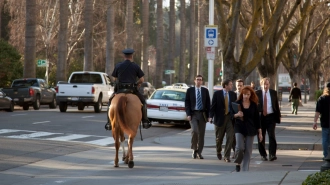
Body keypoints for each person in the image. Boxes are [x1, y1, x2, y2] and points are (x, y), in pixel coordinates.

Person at [105, 48, 151, 130]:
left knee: (110, 102)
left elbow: (114, 79)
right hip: (132, 90)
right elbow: (142, 80)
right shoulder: (135, 66)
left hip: (120, 90)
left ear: (124, 56)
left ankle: (109, 123)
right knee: (143, 102)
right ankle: (145, 121)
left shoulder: (118, 65)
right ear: (132, 56)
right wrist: (137, 84)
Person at [233, 86, 263, 172]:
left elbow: (257, 119)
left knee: (248, 150)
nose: (246, 96)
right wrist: (237, 115)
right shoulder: (237, 103)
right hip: (239, 127)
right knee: (240, 148)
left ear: (251, 95)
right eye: (244, 94)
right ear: (242, 94)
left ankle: (245, 170)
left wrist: (260, 132)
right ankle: (238, 162)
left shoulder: (254, 105)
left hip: (251, 128)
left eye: (248, 94)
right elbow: (231, 115)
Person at [209, 79, 237, 162]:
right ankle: (218, 151)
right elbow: (213, 107)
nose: (232, 86)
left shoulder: (233, 94)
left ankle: (226, 156)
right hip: (219, 118)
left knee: (230, 137)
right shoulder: (217, 94)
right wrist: (211, 117)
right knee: (219, 138)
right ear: (226, 86)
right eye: (231, 84)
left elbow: (234, 106)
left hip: (229, 118)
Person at [185, 75, 211, 159]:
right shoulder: (190, 90)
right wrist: (188, 114)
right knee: (194, 131)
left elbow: (208, 104)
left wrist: (209, 116)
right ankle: (194, 149)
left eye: (200, 80)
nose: (198, 81)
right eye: (197, 80)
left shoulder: (205, 91)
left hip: (202, 114)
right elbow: (187, 103)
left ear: (202, 81)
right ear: (194, 81)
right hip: (193, 114)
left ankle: (199, 152)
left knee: (201, 134)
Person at [256, 77, 281, 161]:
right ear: (261, 85)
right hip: (260, 118)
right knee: (261, 136)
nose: (265, 86)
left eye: (267, 84)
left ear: (269, 84)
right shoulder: (257, 93)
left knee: (272, 135)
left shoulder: (273, 93)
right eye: (264, 84)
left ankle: (272, 154)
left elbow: (276, 105)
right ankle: (263, 154)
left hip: (271, 117)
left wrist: (278, 116)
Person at [313, 82, 330, 160]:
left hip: (325, 122)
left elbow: (317, 112)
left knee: (325, 139)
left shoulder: (322, 98)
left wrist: (315, 122)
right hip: (326, 122)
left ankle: (326, 155)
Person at [231, 79, 244, 159]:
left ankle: (241, 151)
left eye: (240, 85)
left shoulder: (245, 95)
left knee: (243, 137)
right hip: (234, 119)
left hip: (243, 119)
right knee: (233, 137)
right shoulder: (232, 94)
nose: (239, 87)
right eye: (238, 85)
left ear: (243, 86)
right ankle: (235, 152)